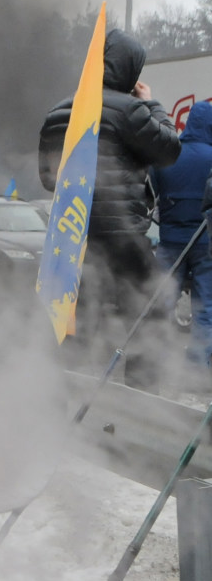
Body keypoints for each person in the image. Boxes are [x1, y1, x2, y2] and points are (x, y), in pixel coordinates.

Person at [38, 28, 179, 389]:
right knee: (150, 312)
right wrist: (152, 104)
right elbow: (169, 149)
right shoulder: (131, 109)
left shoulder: (57, 111)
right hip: (121, 235)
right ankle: (140, 400)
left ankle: (63, 392)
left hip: (71, 235)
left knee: (77, 317)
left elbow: (48, 179)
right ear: (129, 69)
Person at [153, 99, 212, 375]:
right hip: (205, 244)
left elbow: (150, 192)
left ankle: (155, 357)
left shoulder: (167, 154)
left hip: (170, 241)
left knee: (162, 301)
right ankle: (198, 366)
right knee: (204, 306)